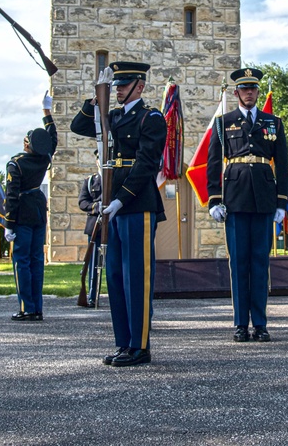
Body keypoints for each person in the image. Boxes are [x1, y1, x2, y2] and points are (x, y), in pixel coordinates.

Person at [71, 62, 166, 367]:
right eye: (115, 86)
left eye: (123, 85)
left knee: (136, 277)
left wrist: (121, 200)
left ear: (140, 86)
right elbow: (79, 126)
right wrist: (95, 96)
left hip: (136, 204)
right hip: (113, 207)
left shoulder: (150, 118)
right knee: (115, 276)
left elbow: (146, 164)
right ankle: (124, 343)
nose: (119, 90)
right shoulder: (111, 117)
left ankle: (140, 346)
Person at [207, 67, 288, 343]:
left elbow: (284, 165)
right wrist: (214, 199)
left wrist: (281, 202)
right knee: (239, 263)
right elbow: (214, 162)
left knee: (260, 262)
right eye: (245, 89)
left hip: (265, 198)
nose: (249, 93)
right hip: (236, 198)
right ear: (237, 92)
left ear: (257, 91)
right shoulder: (223, 122)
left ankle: (261, 324)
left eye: (253, 88)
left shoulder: (273, 122)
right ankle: (241, 323)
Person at [4, 92, 58, 322]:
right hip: (38, 211)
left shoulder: (16, 163)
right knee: (36, 260)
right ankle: (38, 308)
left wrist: (8, 224)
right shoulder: (43, 159)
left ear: (27, 144)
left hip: (23, 215)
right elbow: (52, 139)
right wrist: (47, 113)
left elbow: (12, 196)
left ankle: (27, 307)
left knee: (22, 262)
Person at [77, 163, 103, 308]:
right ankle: (92, 296)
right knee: (93, 264)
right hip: (95, 227)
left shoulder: (114, 177)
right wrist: (96, 206)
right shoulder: (90, 181)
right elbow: (82, 201)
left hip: (112, 225)